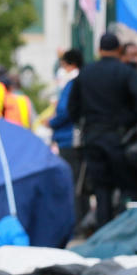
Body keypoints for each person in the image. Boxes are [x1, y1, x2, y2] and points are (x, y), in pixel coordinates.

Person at [69, 33, 137, 228]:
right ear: (119, 51)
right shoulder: (126, 72)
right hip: (120, 138)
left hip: (93, 136)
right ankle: (126, 229)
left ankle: (104, 231)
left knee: (101, 190)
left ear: (99, 50)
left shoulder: (86, 73)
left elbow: (72, 107)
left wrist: (84, 124)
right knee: (128, 187)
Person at [47, 49, 88, 225]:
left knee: (73, 183)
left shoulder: (72, 84)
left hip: (69, 138)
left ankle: (76, 222)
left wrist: (52, 122)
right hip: (75, 137)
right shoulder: (81, 81)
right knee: (80, 182)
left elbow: (65, 111)